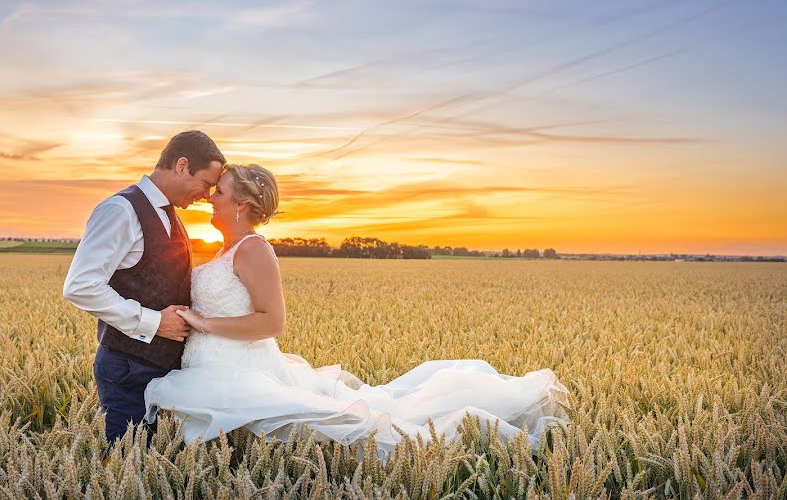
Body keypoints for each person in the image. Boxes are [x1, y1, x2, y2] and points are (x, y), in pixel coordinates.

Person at [144, 164, 570, 461]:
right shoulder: (221, 248)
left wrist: (201, 322)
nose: (209, 198)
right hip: (211, 364)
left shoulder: (253, 249)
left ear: (241, 204)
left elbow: (272, 322)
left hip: (239, 369)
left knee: (365, 429)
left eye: (218, 192)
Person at [63, 130, 225, 444]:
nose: (207, 195)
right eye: (206, 183)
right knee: (127, 464)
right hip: (127, 369)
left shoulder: (171, 215)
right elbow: (80, 286)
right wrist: (153, 322)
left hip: (161, 371)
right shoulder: (120, 210)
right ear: (181, 165)